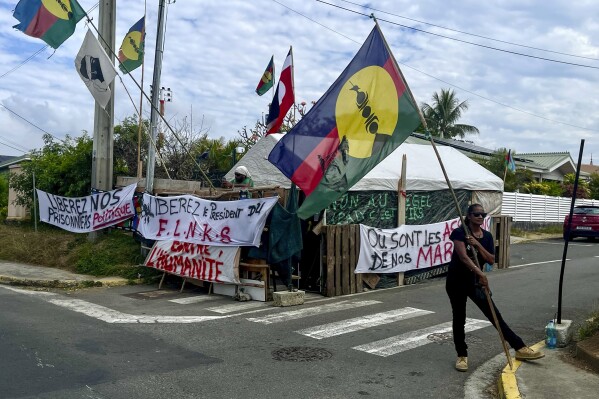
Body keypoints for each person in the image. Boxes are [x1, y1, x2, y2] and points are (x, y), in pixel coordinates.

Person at [446, 203, 544, 372]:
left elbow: (491, 259)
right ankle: (462, 356)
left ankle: (519, 348)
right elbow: (463, 257)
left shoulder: (487, 237)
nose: (480, 217)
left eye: (482, 214)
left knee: (494, 315)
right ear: (468, 216)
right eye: (476, 214)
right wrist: (481, 273)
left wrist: (477, 245)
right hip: (456, 281)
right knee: (459, 318)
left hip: (475, 283)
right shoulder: (460, 233)